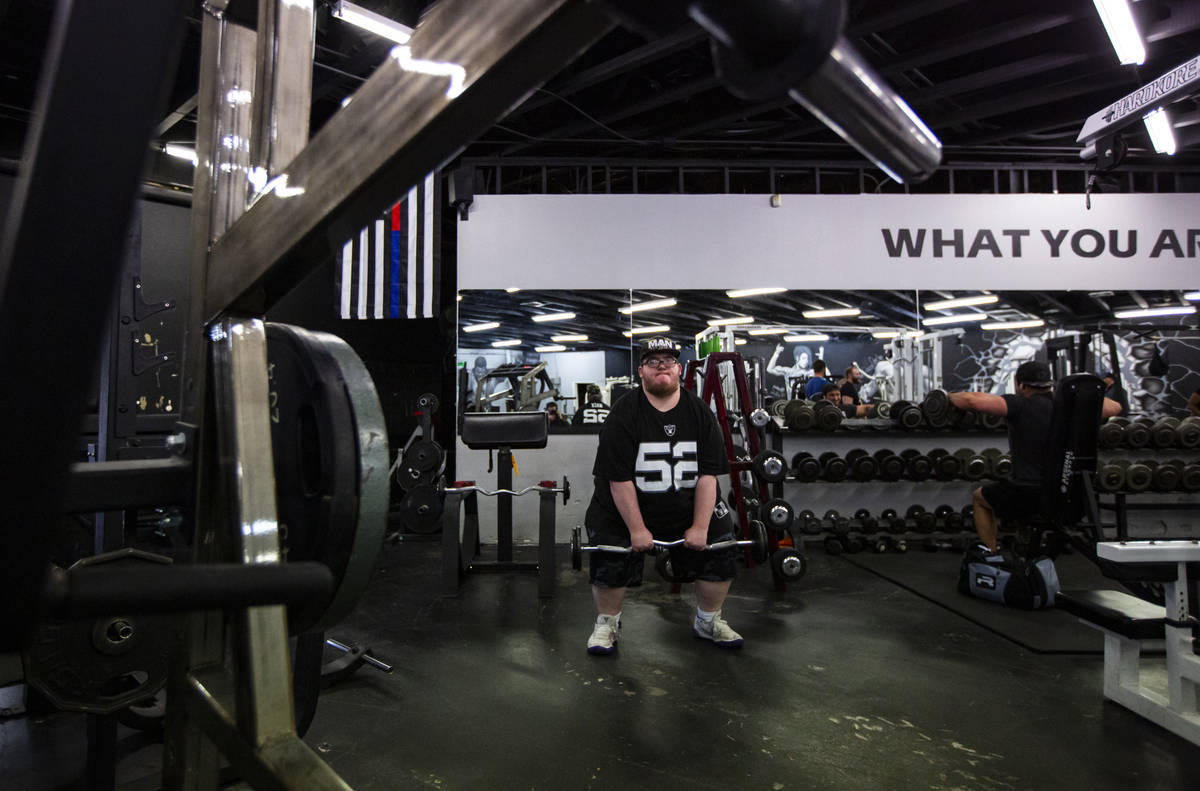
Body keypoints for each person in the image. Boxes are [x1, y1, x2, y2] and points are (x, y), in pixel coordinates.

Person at [585, 335, 742, 655]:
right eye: (653, 362)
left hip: (685, 503)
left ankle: (708, 620)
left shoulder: (699, 412)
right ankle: (606, 623)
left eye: (668, 361)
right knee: (609, 546)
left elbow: (707, 476)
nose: (661, 367)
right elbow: (618, 480)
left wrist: (700, 527)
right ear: (641, 371)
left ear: (679, 369)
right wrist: (637, 530)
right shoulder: (624, 412)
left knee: (721, 539)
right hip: (627, 504)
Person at [948, 361, 1122, 552]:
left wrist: (946, 396)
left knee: (980, 498)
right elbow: (1115, 407)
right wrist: (1077, 399)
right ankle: (1026, 540)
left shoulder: (1019, 404)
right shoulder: (1065, 406)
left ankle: (992, 552)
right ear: (1048, 384)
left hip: (1029, 495)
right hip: (1069, 495)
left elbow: (972, 400)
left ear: (1021, 385)